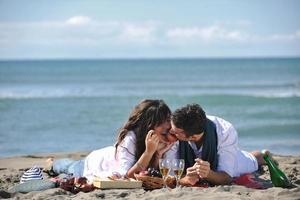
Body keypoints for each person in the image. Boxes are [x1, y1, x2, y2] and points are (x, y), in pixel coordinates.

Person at [47, 99, 174, 182]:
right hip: (94, 164)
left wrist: (157, 155)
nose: (166, 126)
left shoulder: (163, 139)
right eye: (160, 122)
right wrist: (148, 153)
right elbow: (128, 176)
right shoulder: (130, 138)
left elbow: (147, 173)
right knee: (68, 166)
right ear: (148, 124)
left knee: (71, 164)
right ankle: (52, 163)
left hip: (108, 155)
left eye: (168, 120)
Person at [164, 103, 274, 186]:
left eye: (175, 132)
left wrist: (208, 174)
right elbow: (169, 174)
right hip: (214, 155)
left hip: (229, 158)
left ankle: (264, 155)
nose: (170, 132)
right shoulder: (174, 130)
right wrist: (185, 179)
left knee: (252, 160)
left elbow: (226, 178)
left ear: (193, 137)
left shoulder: (225, 131)